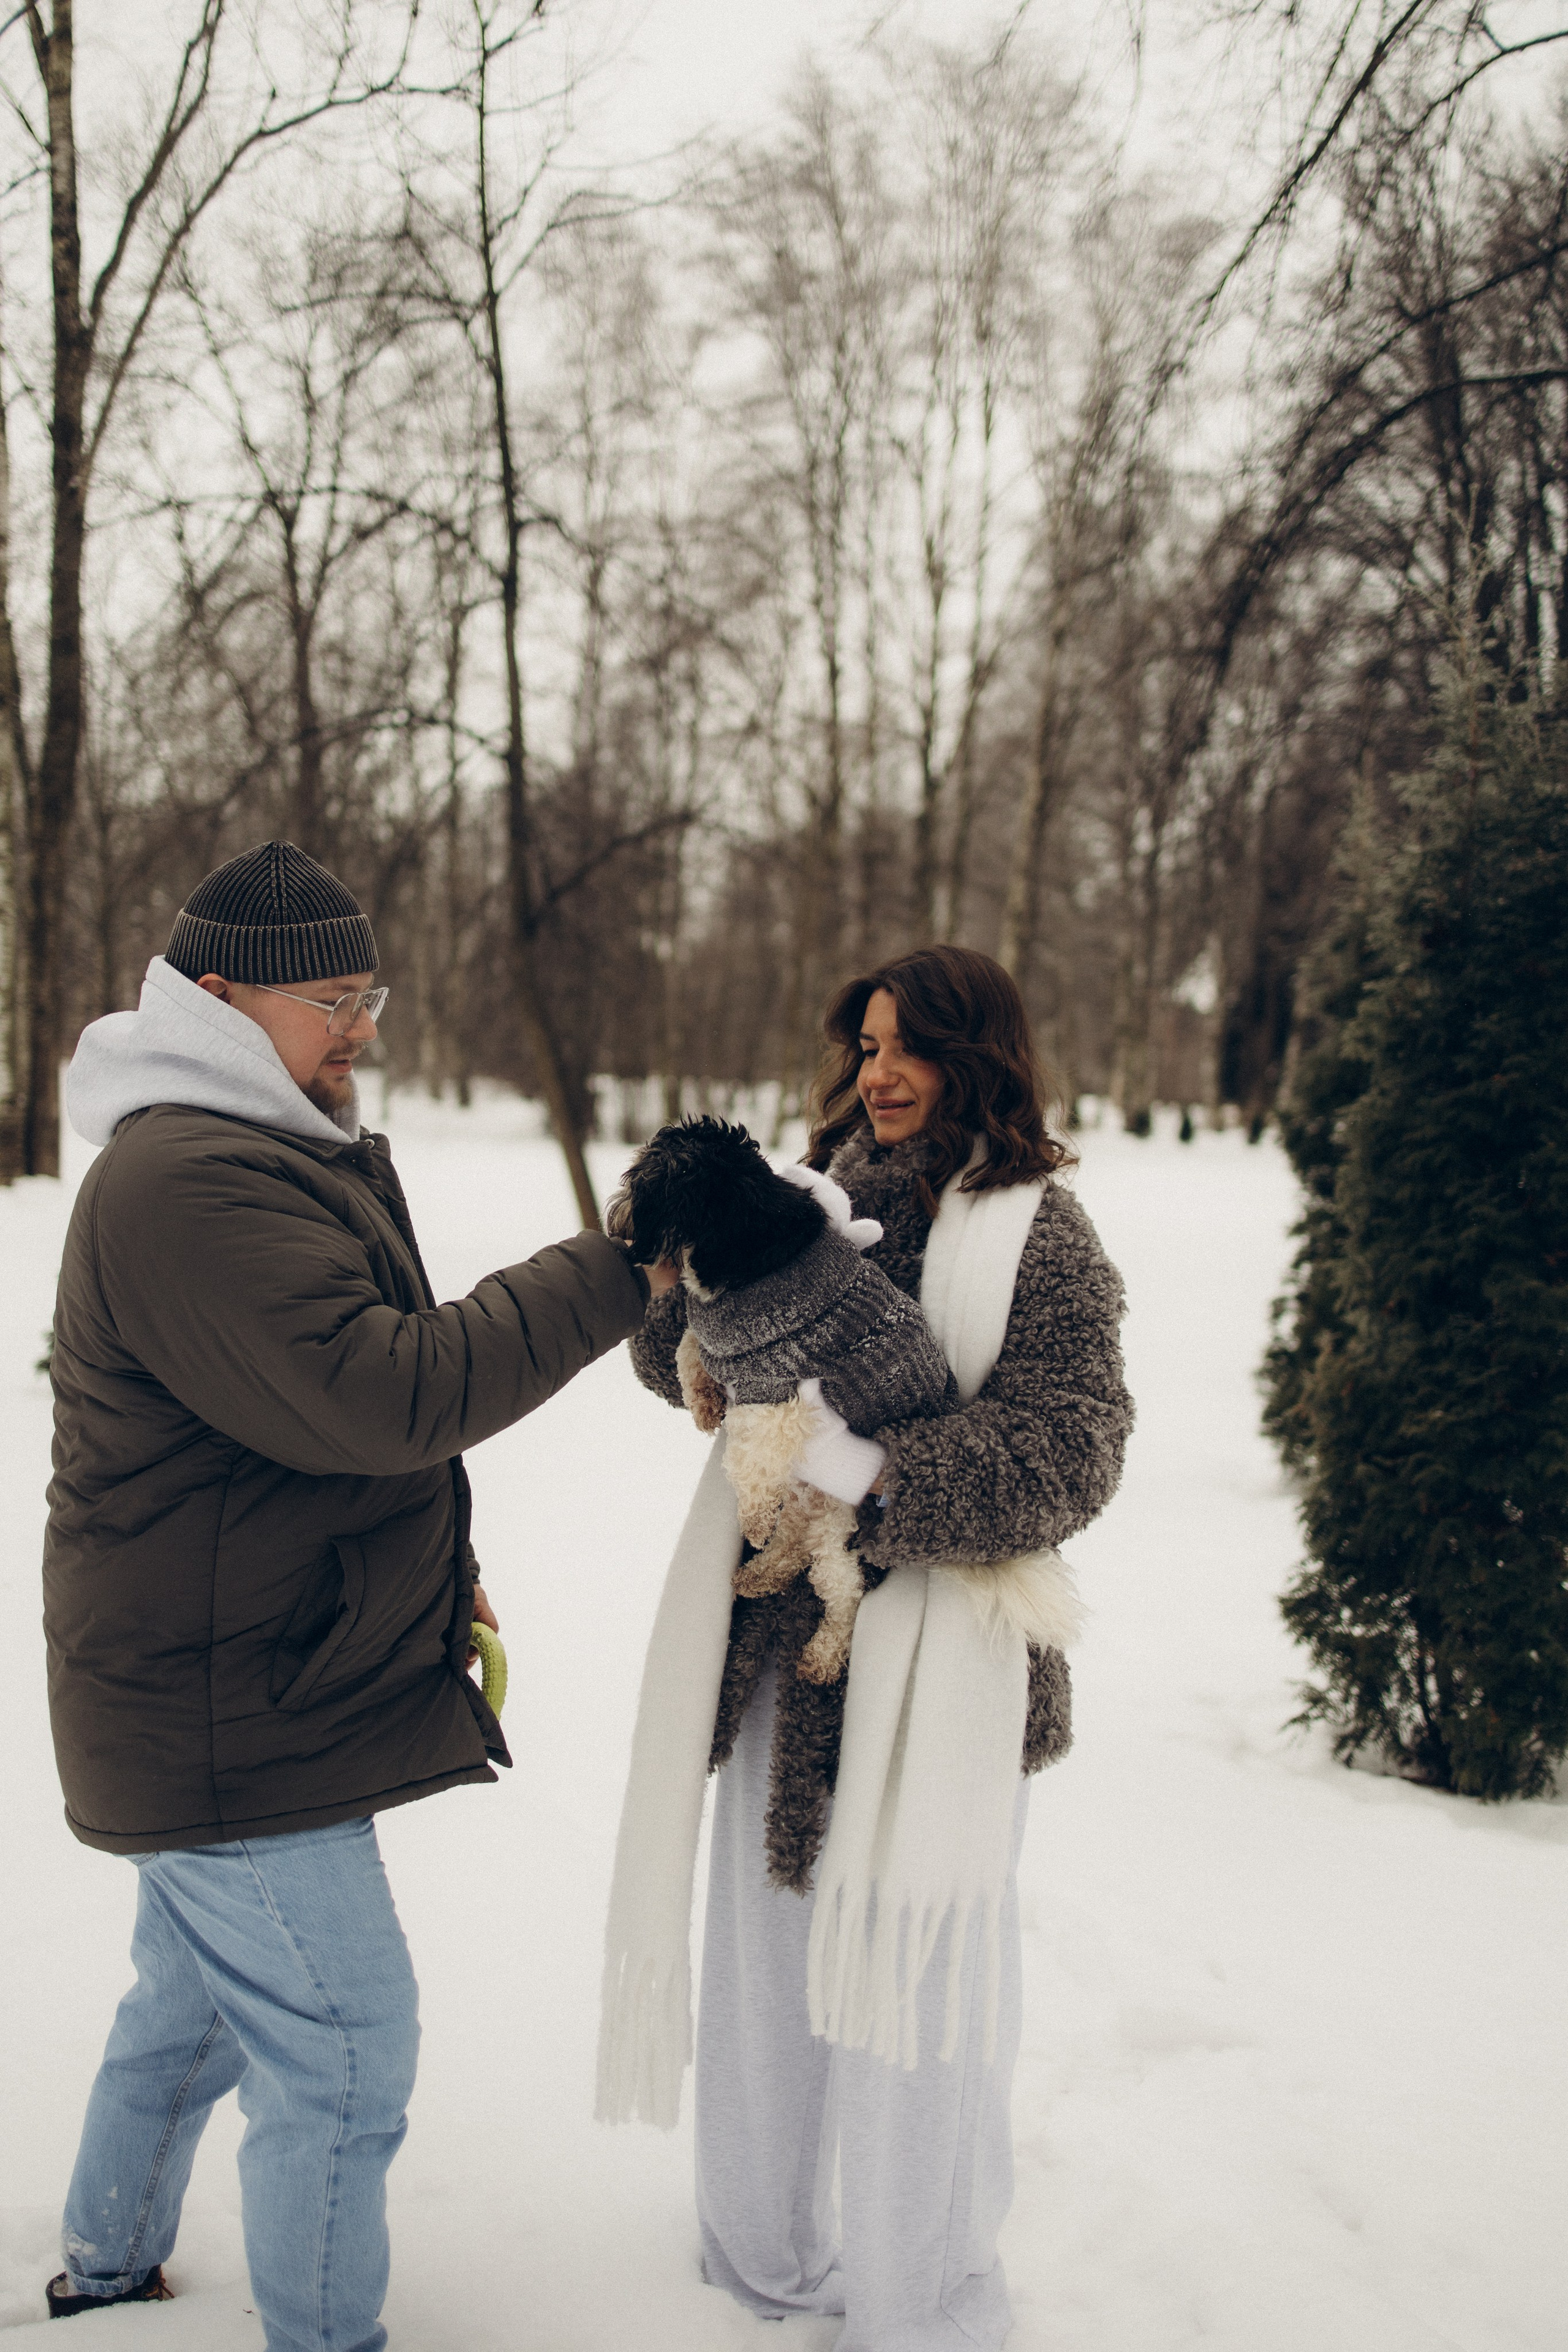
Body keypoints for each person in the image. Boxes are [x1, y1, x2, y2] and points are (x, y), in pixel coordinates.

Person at [42, 840, 672, 2346]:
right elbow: (383, 1394)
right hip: (224, 1715)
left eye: (368, 991)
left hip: (229, 1679)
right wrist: (623, 1264)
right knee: (339, 2042)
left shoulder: (245, 1148)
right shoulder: (190, 1176)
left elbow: (294, 1448)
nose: (364, 1027)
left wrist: (433, 1580)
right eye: (335, 997)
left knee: (189, 2008)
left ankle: (106, 2268)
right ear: (217, 998)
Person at [598, 944, 1132, 2350]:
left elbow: (1073, 1450)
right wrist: (685, 1298)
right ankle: (765, 2257)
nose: (880, 1074)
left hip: (938, 1671)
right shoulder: (810, 1193)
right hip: (779, 1642)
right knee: (771, 1971)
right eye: (868, 1044)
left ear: (982, 1061)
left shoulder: (1036, 1231)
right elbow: (684, 1366)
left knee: (915, 1988)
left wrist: (880, 1471)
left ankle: (924, 2288)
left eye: (912, 1049)